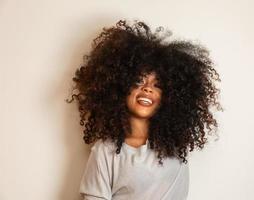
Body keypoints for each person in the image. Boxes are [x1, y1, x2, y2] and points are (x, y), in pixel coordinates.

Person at [66, 19, 223, 200]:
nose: (147, 88)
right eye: (139, 81)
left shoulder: (175, 149)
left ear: (169, 96)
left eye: (157, 85)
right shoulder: (105, 151)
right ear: (121, 87)